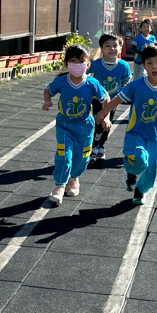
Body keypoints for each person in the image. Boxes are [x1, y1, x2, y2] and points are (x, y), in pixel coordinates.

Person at [96, 42, 157, 205]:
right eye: (149, 62)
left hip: (156, 136)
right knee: (139, 160)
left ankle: (140, 190)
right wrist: (102, 113)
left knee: (152, 170)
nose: (154, 66)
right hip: (136, 132)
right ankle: (130, 172)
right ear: (144, 66)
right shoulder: (136, 85)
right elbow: (117, 100)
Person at [42, 44, 109, 205]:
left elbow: (106, 98)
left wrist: (105, 117)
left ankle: (74, 179)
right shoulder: (61, 81)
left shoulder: (91, 83)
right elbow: (48, 89)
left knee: (83, 157)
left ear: (88, 64)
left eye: (81, 61)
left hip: (85, 126)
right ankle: (59, 185)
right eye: (73, 61)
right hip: (65, 125)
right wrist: (47, 101)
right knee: (64, 154)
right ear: (66, 63)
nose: (77, 64)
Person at [88, 33, 131, 160]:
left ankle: (101, 145)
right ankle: (94, 145)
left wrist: (121, 92)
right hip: (97, 100)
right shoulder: (96, 64)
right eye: (107, 46)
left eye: (115, 46)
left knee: (107, 124)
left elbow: (127, 79)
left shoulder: (123, 65)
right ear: (101, 49)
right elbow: (84, 74)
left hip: (113, 101)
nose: (112, 48)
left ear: (120, 48)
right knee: (98, 121)